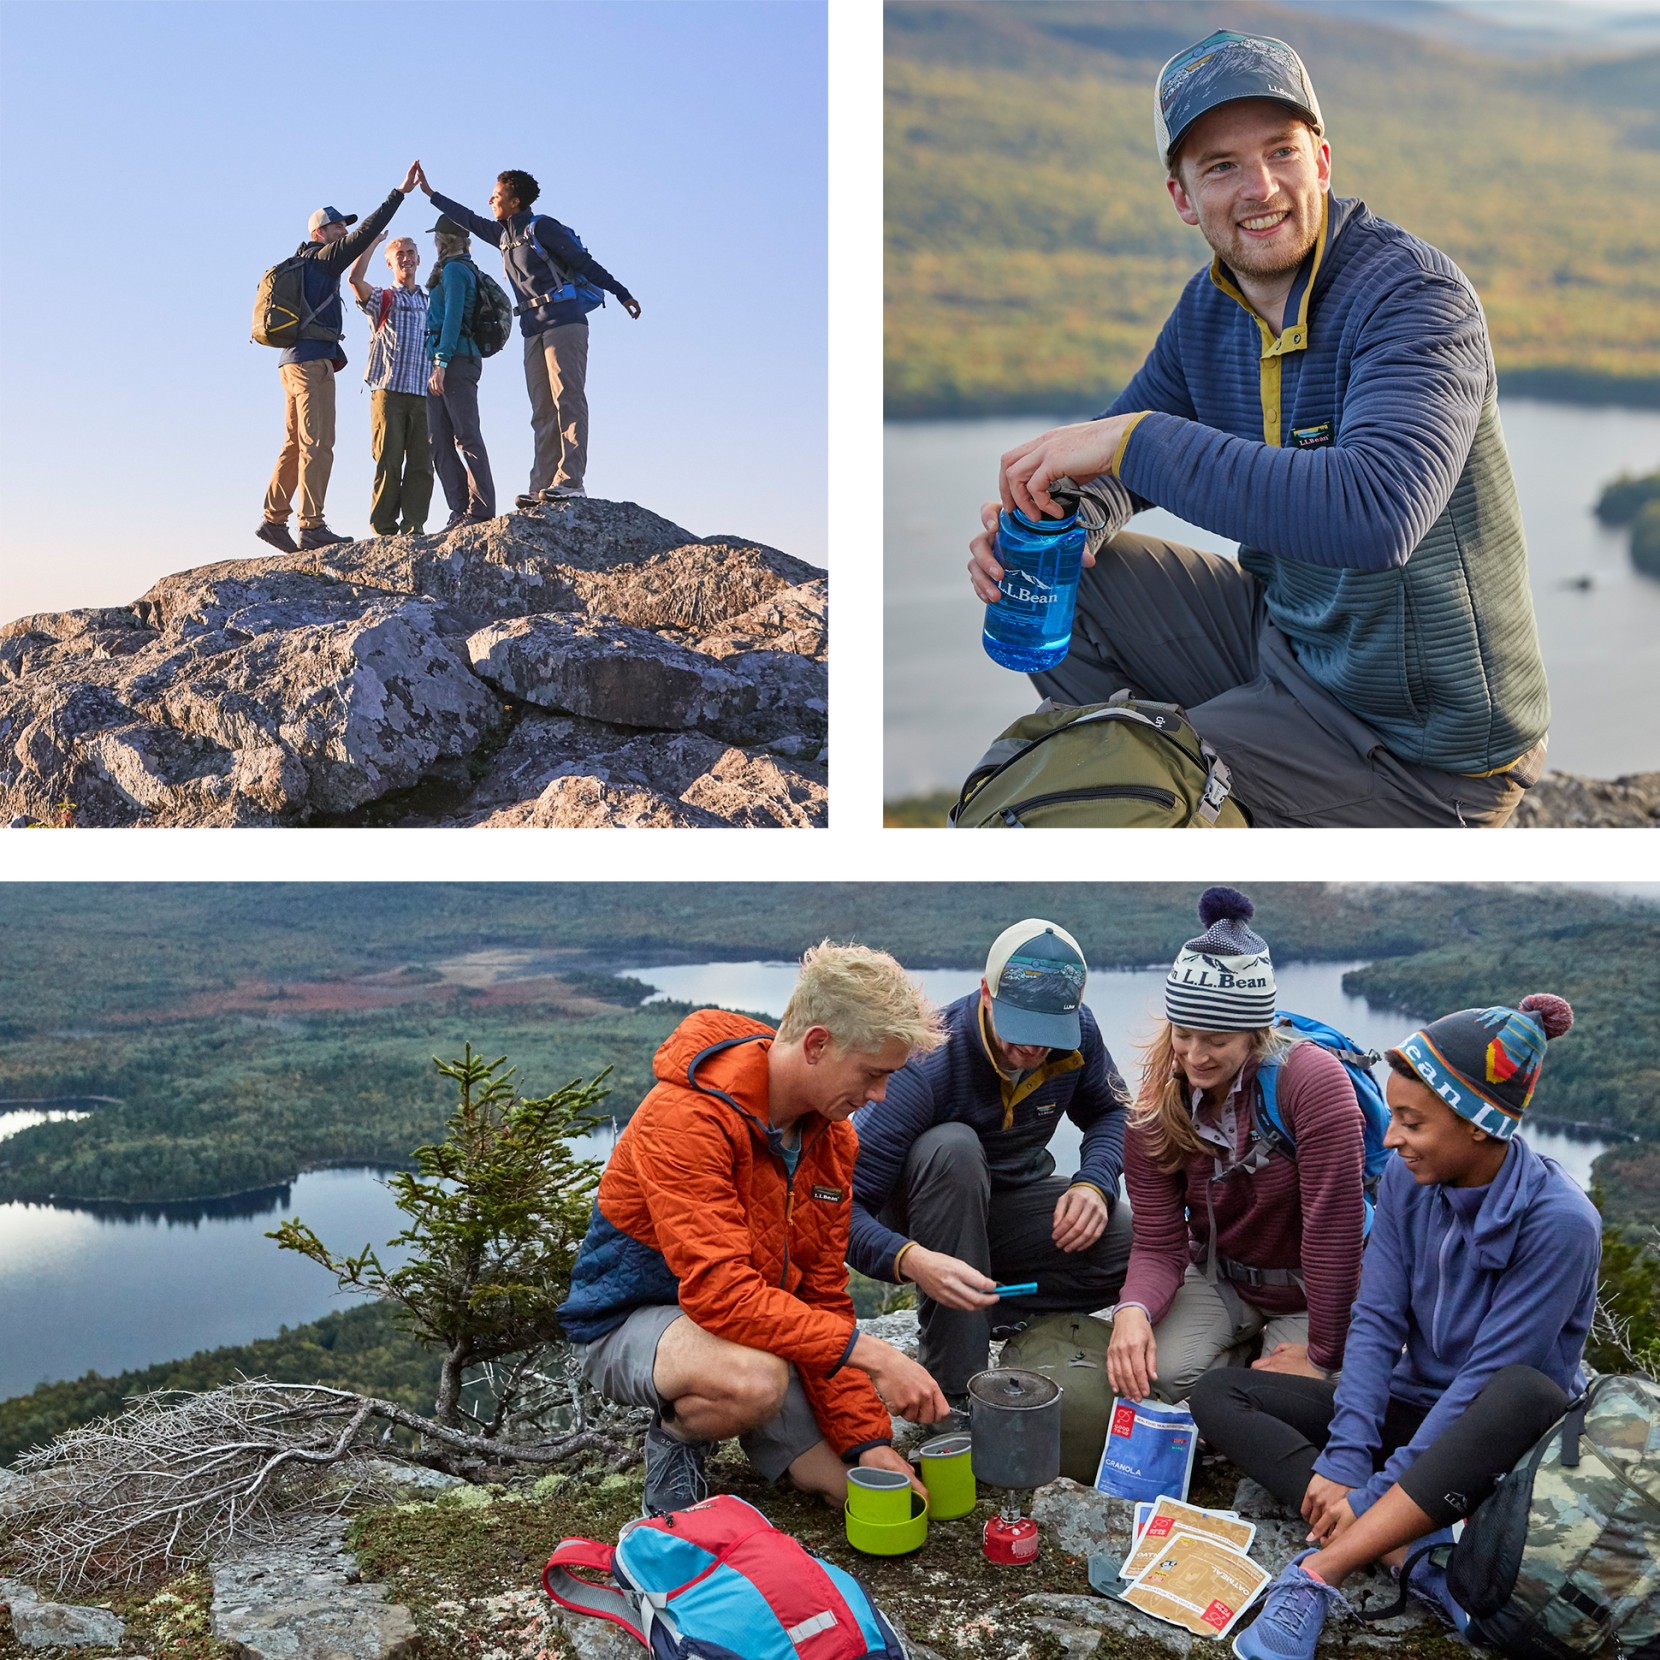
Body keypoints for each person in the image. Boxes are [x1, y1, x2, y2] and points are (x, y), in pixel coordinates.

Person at [965, 31, 1549, 829]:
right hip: (1289, 650)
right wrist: (1044, 526)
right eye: (1222, 166)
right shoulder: (1211, 311)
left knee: (1104, 795)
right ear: (1182, 198)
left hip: (1421, 751)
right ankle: (1170, 777)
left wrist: (1136, 442)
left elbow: (1378, 514)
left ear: (1323, 161)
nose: (1261, 187)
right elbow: (1110, 469)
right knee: (1071, 571)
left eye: (1282, 152)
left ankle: (1182, 795)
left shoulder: (1413, 298)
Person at [1197, 993, 1599, 1660]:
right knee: (1219, 1394)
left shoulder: (1561, 1224)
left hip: (1495, 1444)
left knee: (1525, 1390)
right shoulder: (1411, 1183)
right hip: (1415, 1414)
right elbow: (1378, 1320)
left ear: (1477, 1125)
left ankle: (1321, 1569)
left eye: (1410, 1121)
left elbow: (1483, 1387)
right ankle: (1404, 1550)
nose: (1389, 1138)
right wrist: (1349, 1455)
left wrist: (1373, 1491)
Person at [557, 942, 950, 1518]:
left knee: (852, 1488)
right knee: (753, 1383)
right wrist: (878, 1357)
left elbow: (820, 1295)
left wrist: (869, 1443)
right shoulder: (686, 1118)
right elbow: (721, 1293)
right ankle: (676, 1444)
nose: (878, 1095)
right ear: (817, 1044)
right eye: (872, 1074)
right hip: (628, 1321)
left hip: (748, 1330)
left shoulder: (833, 1141)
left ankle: (803, 1443)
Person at [848, 919, 1133, 1399]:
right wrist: (911, 1260)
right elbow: (841, 1210)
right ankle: (955, 1385)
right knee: (954, 1147)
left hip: (1007, 1210)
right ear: (986, 991)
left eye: (1049, 1032)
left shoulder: (1077, 1034)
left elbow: (1113, 1112)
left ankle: (985, 1311)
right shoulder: (927, 1062)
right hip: (928, 1216)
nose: (1033, 1046)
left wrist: (1093, 1183)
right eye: (1020, 1025)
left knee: (1126, 1241)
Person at [1107, 887, 1367, 1405]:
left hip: (1317, 1292)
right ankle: (1236, 1362)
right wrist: (1132, 1309)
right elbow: (1159, 1242)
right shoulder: (1159, 1105)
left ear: (1255, 1034)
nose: (1195, 1057)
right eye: (1183, 1034)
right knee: (1153, 1376)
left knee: (1288, 1401)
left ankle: (1254, 1367)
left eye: (1217, 1041)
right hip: (1224, 1278)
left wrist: (1324, 1355)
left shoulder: (1312, 1084)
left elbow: (1333, 1234)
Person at [416, 164, 640, 506]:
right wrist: (430, 194)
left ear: (515, 200)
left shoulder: (542, 227)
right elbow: (467, 217)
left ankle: (571, 480)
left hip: (564, 321)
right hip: (532, 327)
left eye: (497, 194)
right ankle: (542, 484)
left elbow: (584, 263)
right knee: (541, 409)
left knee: (568, 397)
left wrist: (622, 293)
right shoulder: (503, 236)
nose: (491, 199)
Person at [256, 163, 422, 553]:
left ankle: (273, 519)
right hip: (312, 364)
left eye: (343, 228)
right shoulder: (322, 260)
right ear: (319, 234)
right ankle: (311, 525)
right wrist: (399, 193)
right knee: (318, 443)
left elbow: (358, 237)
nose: (343, 232)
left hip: (290, 362)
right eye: (336, 228)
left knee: (294, 444)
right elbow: (365, 230)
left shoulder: (302, 264)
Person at [346, 233, 434, 538]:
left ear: (420, 260)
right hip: (388, 391)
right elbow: (354, 280)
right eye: (400, 255)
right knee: (388, 459)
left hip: (425, 394)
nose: (407, 259)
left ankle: (414, 526)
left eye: (411, 253)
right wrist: (370, 244)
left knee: (422, 464)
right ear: (389, 263)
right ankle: (383, 528)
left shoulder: (431, 302)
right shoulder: (384, 298)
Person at [423, 215, 495, 529]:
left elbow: (452, 319)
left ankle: (480, 511)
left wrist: (441, 362)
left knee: (466, 435)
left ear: (444, 239)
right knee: (438, 438)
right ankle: (460, 509)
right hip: (445, 361)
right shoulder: (455, 269)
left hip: (455, 361)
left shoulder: (455, 271)